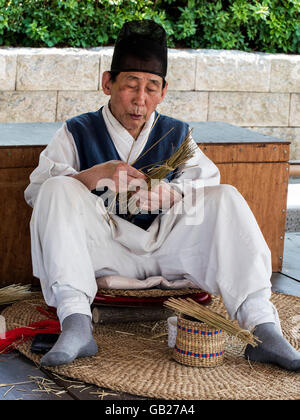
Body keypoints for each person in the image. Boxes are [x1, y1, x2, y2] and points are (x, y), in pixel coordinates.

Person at [25, 20, 300, 371]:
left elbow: (206, 187)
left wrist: (174, 196)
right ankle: (77, 325)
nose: (141, 100)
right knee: (57, 187)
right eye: (131, 85)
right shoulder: (78, 131)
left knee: (225, 197)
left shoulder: (177, 135)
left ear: (164, 91)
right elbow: (37, 193)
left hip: (171, 252)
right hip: (103, 252)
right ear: (108, 83)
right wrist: (92, 176)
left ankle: (264, 330)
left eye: (152, 88)